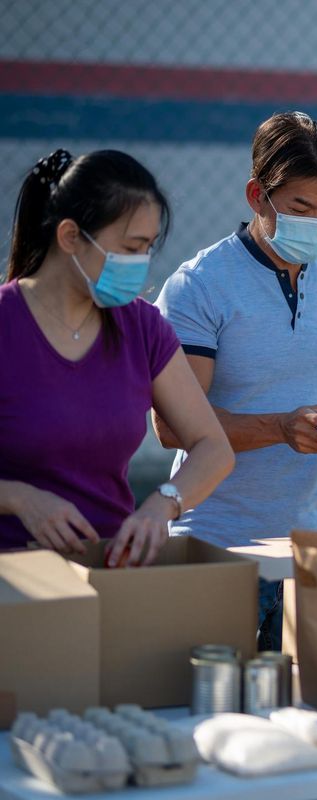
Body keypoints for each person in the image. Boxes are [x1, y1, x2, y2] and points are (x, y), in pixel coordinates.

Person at [153, 112, 317, 649]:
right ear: (258, 196)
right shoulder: (199, 285)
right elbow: (172, 426)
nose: (316, 225)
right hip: (212, 549)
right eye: (301, 209)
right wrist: (282, 428)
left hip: (307, 552)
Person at [0, 149, 233, 566]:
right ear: (70, 236)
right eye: (130, 247)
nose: (140, 263)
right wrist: (20, 498)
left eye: (147, 248)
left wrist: (164, 504)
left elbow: (213, 447)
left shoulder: (143, 328)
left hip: (110, 572)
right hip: (15, 583)